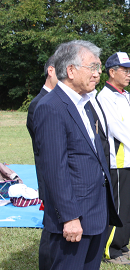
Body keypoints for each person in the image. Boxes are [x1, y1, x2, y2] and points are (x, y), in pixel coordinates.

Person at [34, 40, 122, 270]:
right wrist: (70, 217)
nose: (99, 73)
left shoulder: (83, 104)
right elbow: (55, 169)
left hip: (94, 215)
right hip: (74, 220)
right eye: (93, 67)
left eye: (99, 67)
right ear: (71, 70)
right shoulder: (51, 107)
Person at [97, 52, 130, 265]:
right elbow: (117, 128)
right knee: (118, 208)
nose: (129, 74)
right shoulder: (105, 97)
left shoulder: (128, 96)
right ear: (112, 72)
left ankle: (122, 245)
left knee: (129, 206)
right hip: (119, 161)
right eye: (125, 70)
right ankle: (111, 250)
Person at [26, 55, 58, 270]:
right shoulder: (39, 103)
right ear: (51, 70)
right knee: (52, 229)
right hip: (51, 177)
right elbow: (44, 149)